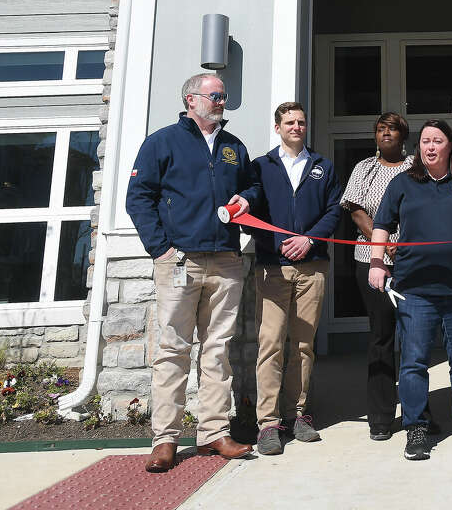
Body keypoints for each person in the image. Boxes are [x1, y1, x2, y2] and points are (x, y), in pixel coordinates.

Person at [125, 73, 262, 473]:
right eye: (215, 95)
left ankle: (214, 433)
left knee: (218, 349)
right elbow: (139, 197)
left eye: (224, 96)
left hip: (225, 259)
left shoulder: (233, 147)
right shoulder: (161, 142)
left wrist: (246, 198)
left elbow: (253, 187)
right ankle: (165, 439)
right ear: (191, 100)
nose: (222, 101)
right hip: (179, 260)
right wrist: (161, 248)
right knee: (173, 349)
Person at [368, 119, 452, 460]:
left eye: (437, 141)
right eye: (425, 141)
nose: (429, 147)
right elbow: (383, 224)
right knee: (414, 362)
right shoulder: (403, 183)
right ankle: (415, 428)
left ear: (450, 146)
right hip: (415, 288)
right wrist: (376, 262)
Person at [248, 102, 341, 455]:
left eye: (301, 122)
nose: (297, 127)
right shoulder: (260, 167)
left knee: (303, 345)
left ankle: (298, 414)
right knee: (270, 344)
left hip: (312, 265)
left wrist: (310, 239)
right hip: (271, 266)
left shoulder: (322, 167)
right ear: (278, 127)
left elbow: (335, 210)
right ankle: (268, 423)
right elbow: (250, 212)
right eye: (289, 122)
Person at [340, 112, 416, 441]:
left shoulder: (416, 166)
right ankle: (381, 417)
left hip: (414, 261)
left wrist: (406, 246)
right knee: (381, 338)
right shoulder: (363, 169)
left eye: (393, 129)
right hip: (372, 262)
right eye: (381, 129)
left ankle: (417, 413)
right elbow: (356, 210)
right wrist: (385, 247)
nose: (386, 134)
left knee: (417, 337)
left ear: (403, 136)